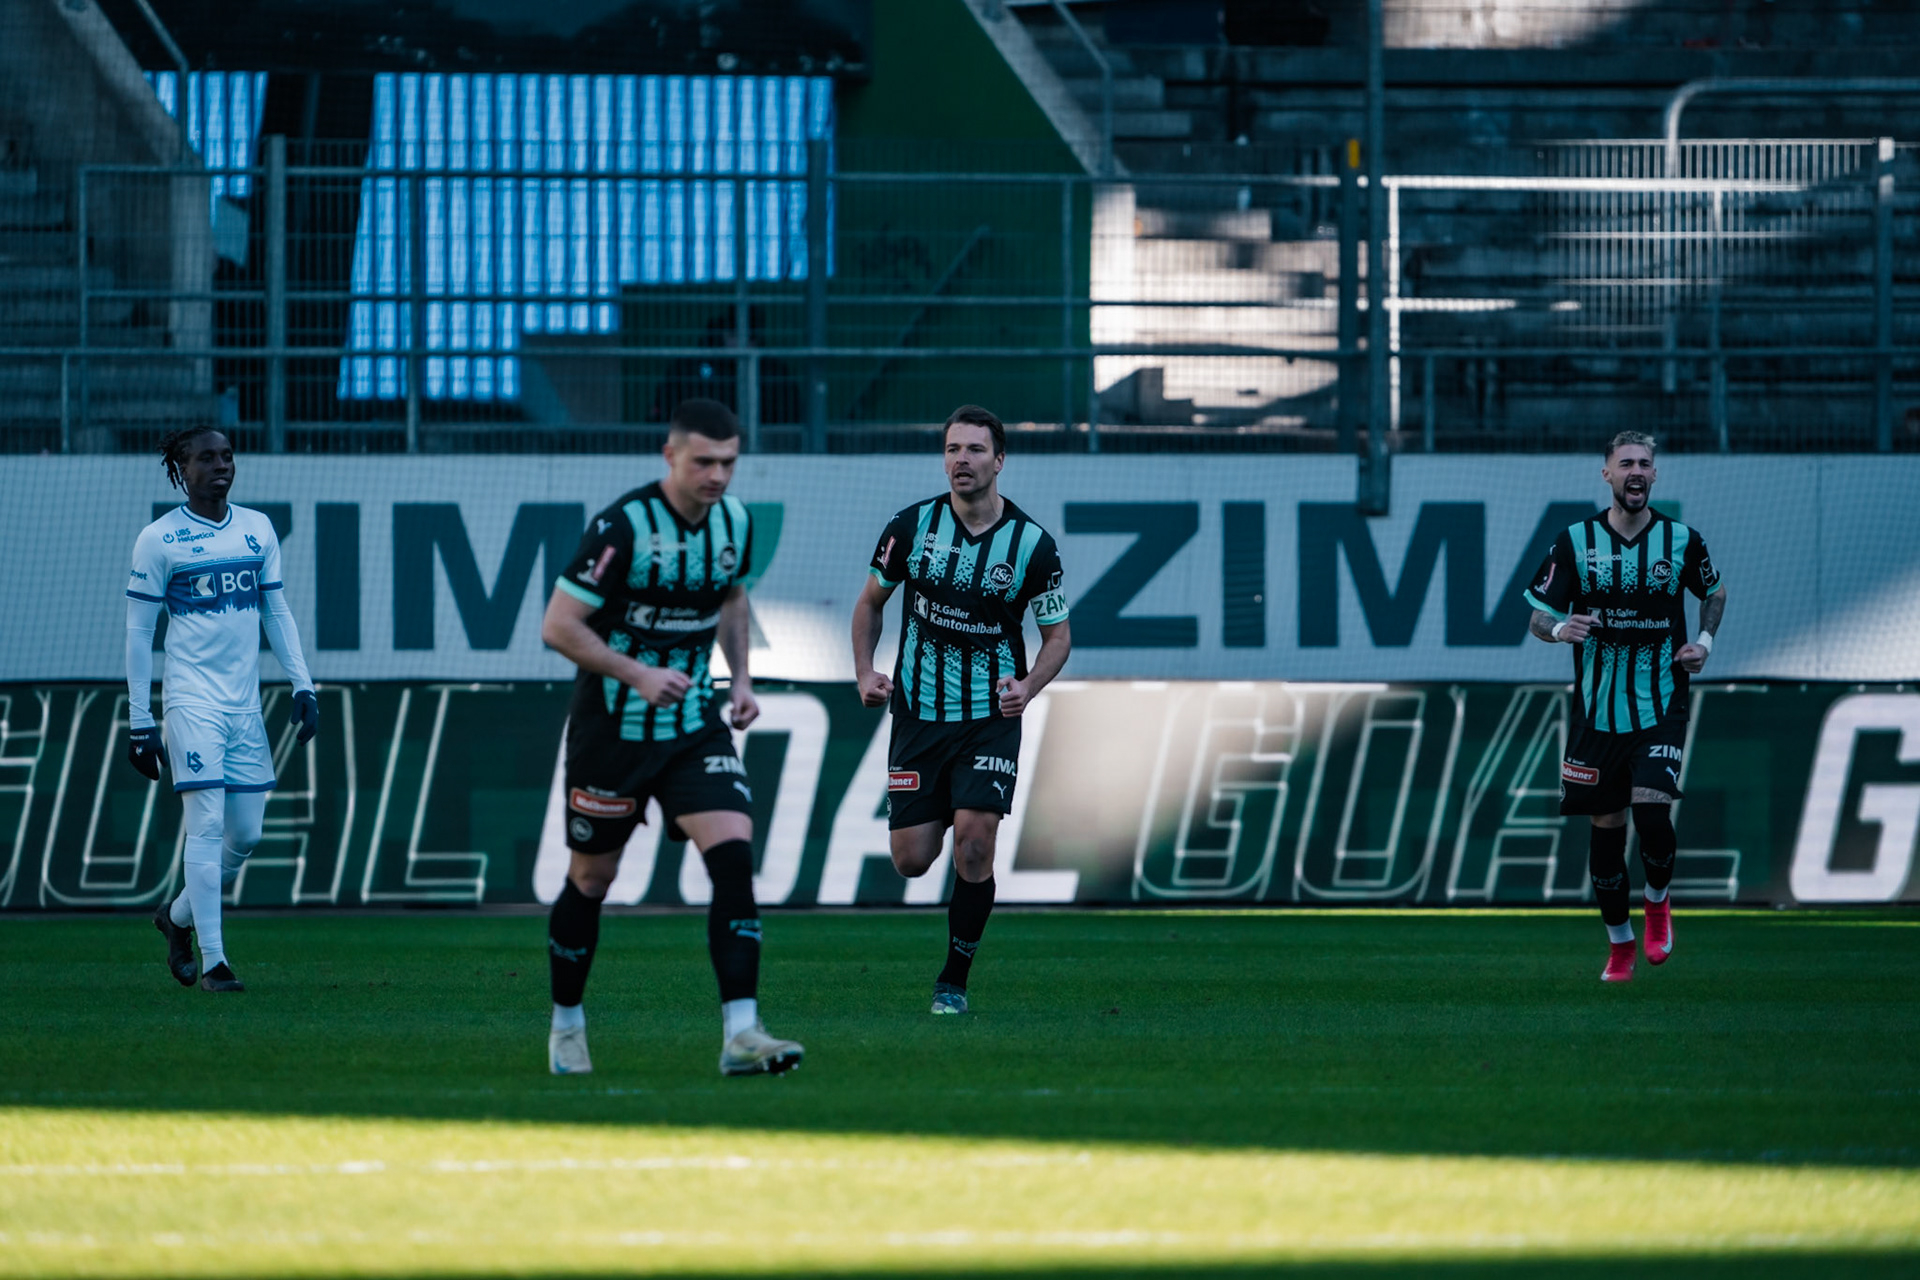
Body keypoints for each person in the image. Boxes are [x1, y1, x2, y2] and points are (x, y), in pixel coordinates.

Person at [538, 397, 802, 1077]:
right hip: (613, 732)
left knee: (734, 857)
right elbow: (559, 625)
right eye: (704, 462)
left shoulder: (736, 524)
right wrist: (636, 672)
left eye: (729, 463)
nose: (717, 476)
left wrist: (741, 680)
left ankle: (741, 1034)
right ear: (670, 456)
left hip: (692, 726)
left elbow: (733, 598)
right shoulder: (622, 526)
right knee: (592, 878)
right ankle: (567, 1022)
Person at [850, 404, 1072, 1014]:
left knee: (975, 846)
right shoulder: (910, 526)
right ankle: (953, 800)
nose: (961, 461)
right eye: (952, 449)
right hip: (919, 716)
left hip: (988, 718)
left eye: (974, 450)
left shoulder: (1032, 546)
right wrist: (866, 670)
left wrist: (1028, 687)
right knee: (913, 860)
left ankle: (953, 980)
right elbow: (869, 603)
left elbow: (1058, 637)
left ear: (999, 461)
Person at [1524, 431, 1727, 982]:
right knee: (1606, 829)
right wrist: (1564, 627)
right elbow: (1538, 613)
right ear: (1607, 474)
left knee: (1651, 809)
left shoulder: (1681, 540)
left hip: (1661, 702)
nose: (1636, 471)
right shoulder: (1575, 541)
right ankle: (1619, 945)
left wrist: (1702, 645)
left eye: (1645, 463)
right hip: (1596, 713)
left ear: (1654, 476)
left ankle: (1657, 900)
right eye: (1625, 463)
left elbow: (1714, 592)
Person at [129, 426, 320, 994]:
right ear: (180, 470)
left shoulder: (258, 529)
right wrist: (141, 721)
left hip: (244, 705)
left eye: (227, 455)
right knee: (207, 824)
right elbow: (139, 634)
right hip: (191, 702)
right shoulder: (159, 540)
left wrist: (303, 686)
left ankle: (176, 918)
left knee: (247, 832)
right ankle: (216, 963)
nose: (221, 464)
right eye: (206, 457)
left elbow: (276, 611)